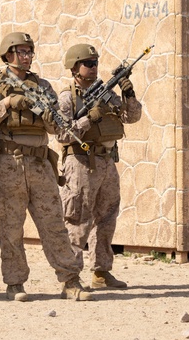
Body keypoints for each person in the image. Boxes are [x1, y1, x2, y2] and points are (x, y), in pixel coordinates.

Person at [0, 32, 92, 302]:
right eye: (21, 51)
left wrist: (49, 116)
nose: (26, 57)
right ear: (8, 54)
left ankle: (70, 280)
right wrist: (7, 103)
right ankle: (15, 283)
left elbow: (58, 127)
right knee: (11, 227)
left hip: (40, 164)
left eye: (29, 52)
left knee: (53, 225)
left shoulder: (43, 87)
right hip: (9, 163)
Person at [55, 43, 142, 290]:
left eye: (96, 63)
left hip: (106, 161)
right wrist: (89, 118)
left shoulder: (104, 92)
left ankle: (101, 272)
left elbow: (131, 117)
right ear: (75, 67)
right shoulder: (67, 97)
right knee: (77, 219)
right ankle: (70, 278)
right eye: (88, 64)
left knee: (107, 218)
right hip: (81, 162)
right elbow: (61, 134)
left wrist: (128, 93)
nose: (94, 68)